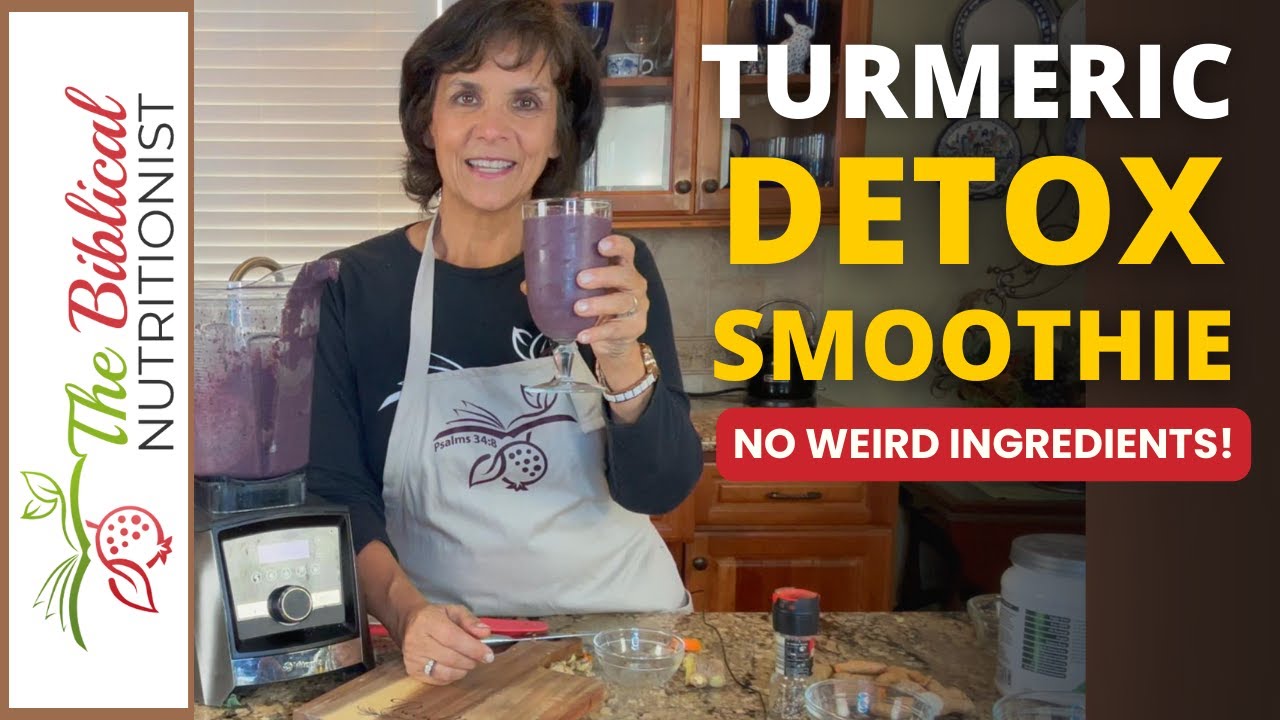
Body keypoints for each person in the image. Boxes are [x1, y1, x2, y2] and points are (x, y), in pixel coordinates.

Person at [307, 0, 703, 687]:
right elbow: (336, 493)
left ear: (557, 136)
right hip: (450, 639)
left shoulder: (612, 271)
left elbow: (660, 488)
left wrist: (619, 358)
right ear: (428, 122)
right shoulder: (350, 287)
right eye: (466, 95)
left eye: (526, 101)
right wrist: (406, 613)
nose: (492, 129)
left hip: (619, 631)